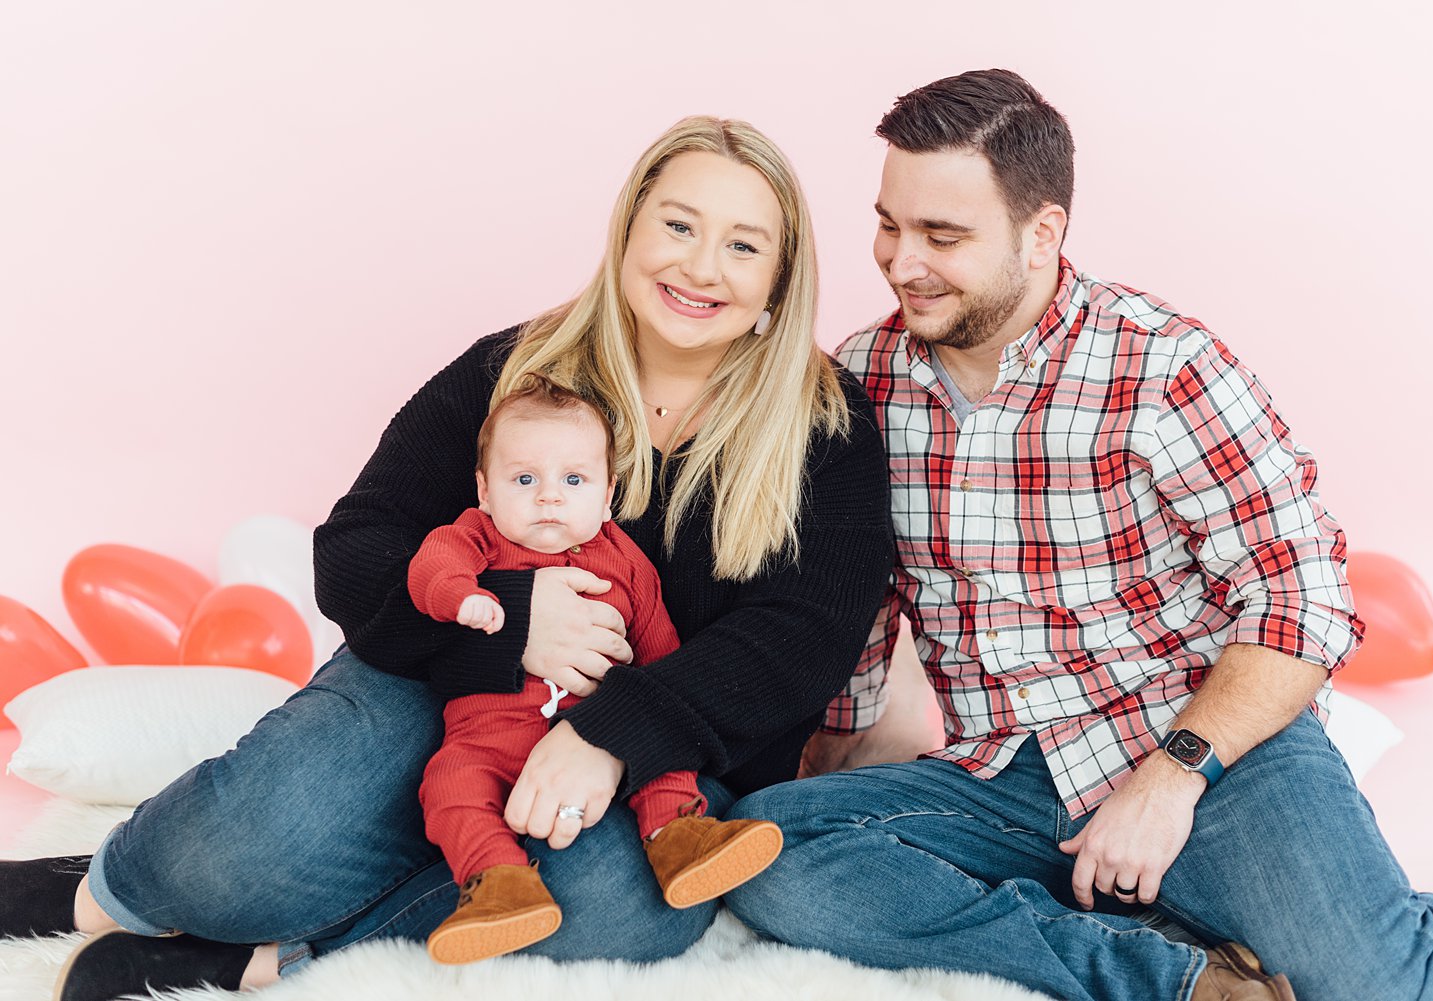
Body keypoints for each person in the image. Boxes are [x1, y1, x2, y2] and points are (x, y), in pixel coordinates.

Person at [1, 116, 894, 1001]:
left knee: (619, 908)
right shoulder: (517, 369)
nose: (700, 267)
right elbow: (357, 547)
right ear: (629, 229)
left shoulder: (828, 428)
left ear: (779, 278)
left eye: (743, 245)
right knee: (236, 853)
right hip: (445, 691)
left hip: (657, 756)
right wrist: (509, 626)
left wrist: (611, 731)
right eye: (678, 224)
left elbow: (800, 642)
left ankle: (269, 960)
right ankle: (98, 888)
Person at [725, 69, 1433, 1001]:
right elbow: (862, 617)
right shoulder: (862, 381)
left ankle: (1422, 918)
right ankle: (1175, 971)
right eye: (890, 223)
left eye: (943, 235)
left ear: (1041, 233)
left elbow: (1303, 593)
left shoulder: (1162, 366)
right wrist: (825, 776)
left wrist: (1170, 778)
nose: (901, 260)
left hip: (1205, 753)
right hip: (1003, 777)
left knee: (1384, 986)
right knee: (769, 847)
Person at [409, 373, 781, 964]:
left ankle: (679, 837)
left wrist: (653, 720)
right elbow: (433, 561)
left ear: (608, 493)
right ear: (484, 490)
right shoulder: (478, 535)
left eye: (573, 480)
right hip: (489, 736)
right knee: (449, 784)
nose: (549, 497)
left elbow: (659, 647)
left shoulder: (626, 562)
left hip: (600, 726)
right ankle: (499, 884)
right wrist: (461, 597)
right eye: (524, 479)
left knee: (660, 757)